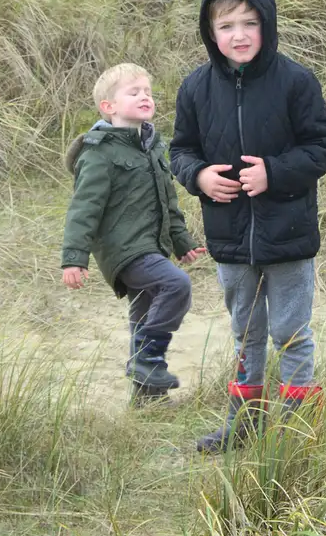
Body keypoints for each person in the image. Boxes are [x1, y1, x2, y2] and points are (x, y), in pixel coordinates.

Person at [170, 0, 326, 452]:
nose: (238, 35)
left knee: (289, 332)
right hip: (229, 239)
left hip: (288, 233)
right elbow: (179, 151)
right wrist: (199, 177)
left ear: (267, 23)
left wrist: (274, 172)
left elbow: (324, 147)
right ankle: (244, 422)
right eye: (225, 26)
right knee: (246, 333)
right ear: (210, 32)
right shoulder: (196, 88)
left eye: (249, 22)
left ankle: (297, 424)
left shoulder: (295, 81)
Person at [61, 63, 206, 402]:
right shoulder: (99, 152)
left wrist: (182, 241)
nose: (145, 97)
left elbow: (166, 199)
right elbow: (84, 209)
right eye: (134, 92)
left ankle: (147, 398)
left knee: (145, 311)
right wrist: (73, 258)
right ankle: (146, 359)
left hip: (153, 245)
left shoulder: (153, 145)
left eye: (148, 92)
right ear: (108, 106)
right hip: (123, 249)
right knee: (175, 284)